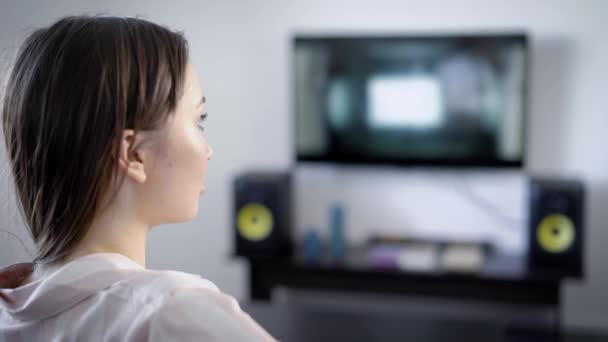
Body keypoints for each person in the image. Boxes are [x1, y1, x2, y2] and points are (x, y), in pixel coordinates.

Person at [0, 15, 276, 341]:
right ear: (133, 154)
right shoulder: (170, 312)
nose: (208, 150)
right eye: (198, 121)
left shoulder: (11, 308)